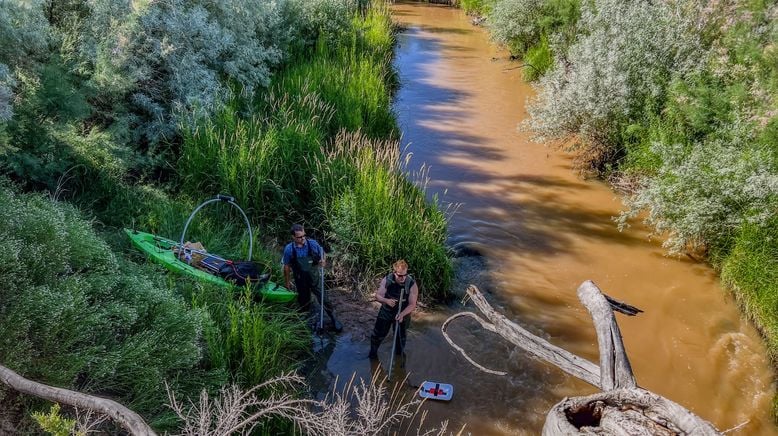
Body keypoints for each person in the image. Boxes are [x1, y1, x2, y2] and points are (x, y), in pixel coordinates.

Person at [283, 224, 342, 332]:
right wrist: (287, 283)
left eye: (304, 235)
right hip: (300, 280)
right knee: (304, 302)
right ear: (293, 237)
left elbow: (322, 253)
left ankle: (333, 318)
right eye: (300, 237)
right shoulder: (289, 249)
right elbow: (286, 267)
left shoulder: (312, 244)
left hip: (315, 278)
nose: (303, 238)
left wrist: (323, 260)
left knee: (324, 299)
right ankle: (306, 322)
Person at [368, 259, 418, 359]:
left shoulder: (411, 283)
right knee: (377, 335)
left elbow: (412, 304)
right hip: (387, 311)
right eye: (399, 275)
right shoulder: (387, 279)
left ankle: (399, 358)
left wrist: (402, 314)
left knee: (400, 338)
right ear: (394, 272)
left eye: (404, 275)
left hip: (403, 313)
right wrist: (386, 301)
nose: (402, 278)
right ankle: (372, 355)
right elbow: (378, 296)